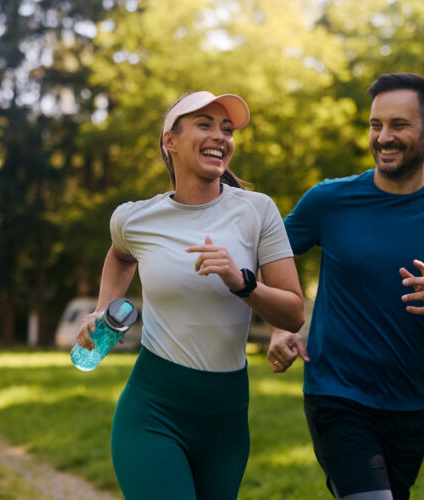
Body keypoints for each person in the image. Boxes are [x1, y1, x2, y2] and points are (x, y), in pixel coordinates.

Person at [267, 73, 424, 500]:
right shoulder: (329, 200)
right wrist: (282, 325)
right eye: (376, 125)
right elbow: (270, 259)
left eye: (399, 125)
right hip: (336, 396)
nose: (384, 137)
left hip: (411, 406)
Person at [76, 91, 305, 500]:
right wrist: (101, 309)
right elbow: (119, 255)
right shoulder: (134, 218)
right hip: (153, 412)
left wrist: (242, 282)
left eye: (227, 129)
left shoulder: (258, 211)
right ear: (170, 140)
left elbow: (292, 314)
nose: (220, 136)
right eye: (205, 124)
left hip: (226, 419)